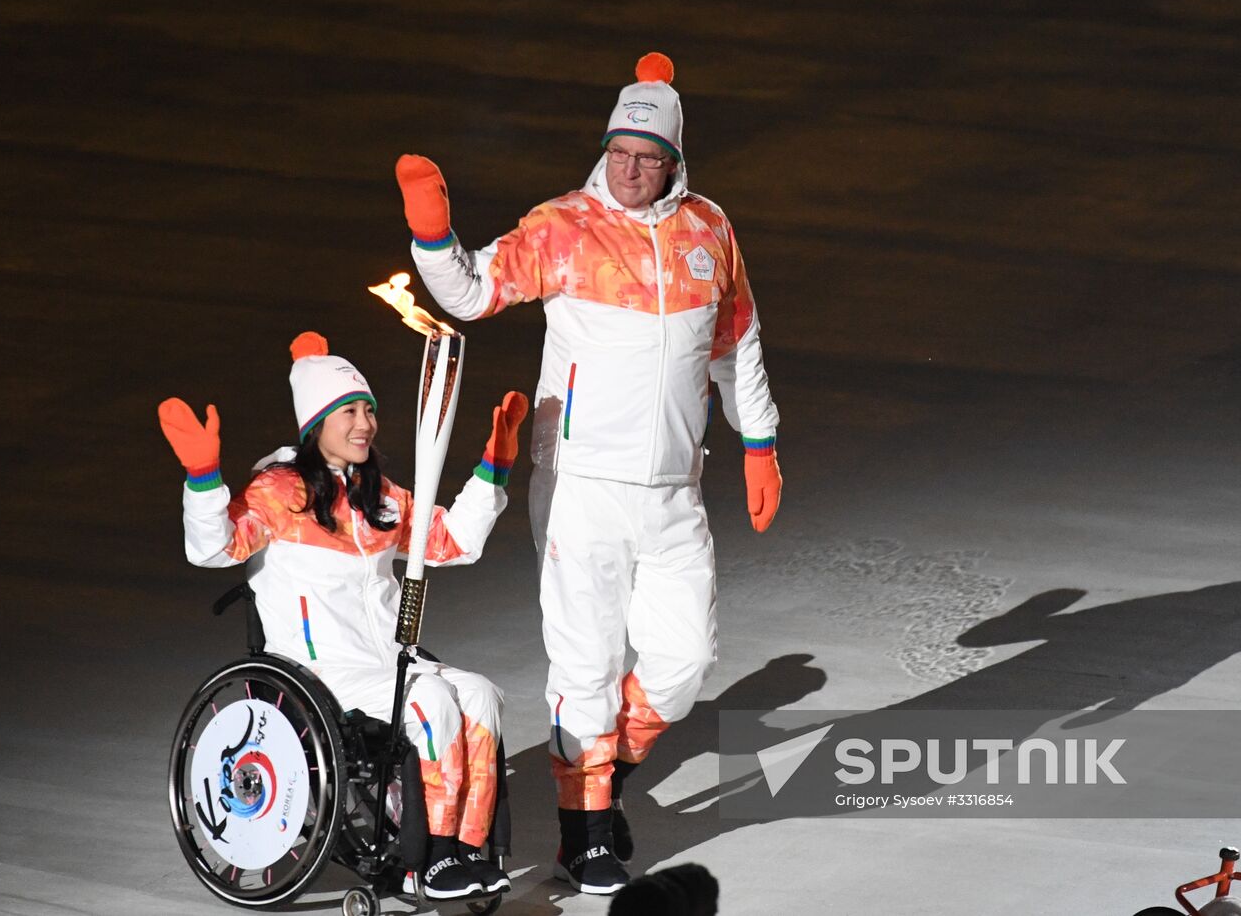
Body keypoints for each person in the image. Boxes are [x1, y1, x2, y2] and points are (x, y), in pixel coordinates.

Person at [393, 52, 782, 894]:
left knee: (684, 660)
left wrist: (760, 443)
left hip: (675, 488)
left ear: (675, 162)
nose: (630, 170)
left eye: (648, 157)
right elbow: (469, 293)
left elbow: (736, 340)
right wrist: (432, 235)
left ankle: (599, 785)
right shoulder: (563, 228)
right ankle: (584, 833)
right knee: (588, 661)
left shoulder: (709, 230)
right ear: (603, 149)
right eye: (618, 152)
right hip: (583, 483)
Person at [158, 331, 528, 900]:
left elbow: (452, 541)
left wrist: (492, 470)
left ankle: (462, 849)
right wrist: (205, 481)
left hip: (388, 662)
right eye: (348, 411)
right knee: (431, 705)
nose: (364, 423)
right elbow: (212, 547)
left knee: (479, 693)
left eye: (369, 410)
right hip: (322, 672)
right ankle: (423, 855)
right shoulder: (279, 494)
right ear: (316, 423)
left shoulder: (381, 498)